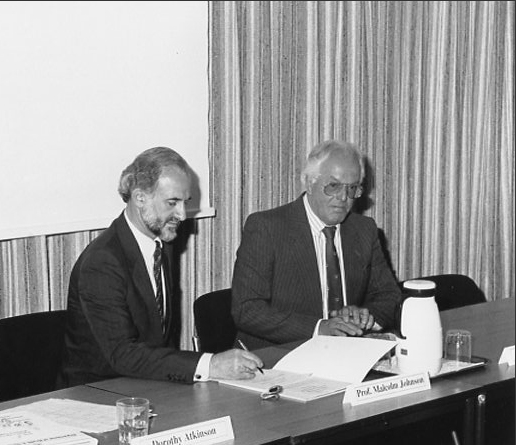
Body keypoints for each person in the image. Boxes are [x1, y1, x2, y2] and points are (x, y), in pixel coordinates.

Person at [61, 146, 263, 387]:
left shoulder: (162, 243)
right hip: (99, 392)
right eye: (172, 203)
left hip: (147, 383)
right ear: (140, 198)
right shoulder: (102, 263)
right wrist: (212, 365)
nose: (182, 215)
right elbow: (123, 354)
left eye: (184, 202)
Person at [231, 139, 402, 349]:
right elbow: (246, 309)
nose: (343, 198)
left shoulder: (364, 229)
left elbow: (389, 296)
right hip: (276, 357)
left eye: (353, 189)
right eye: (333, 186)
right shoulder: (267, 228)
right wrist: (319, 328)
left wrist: (365, 317)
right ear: (309, 182)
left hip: (344, 355)